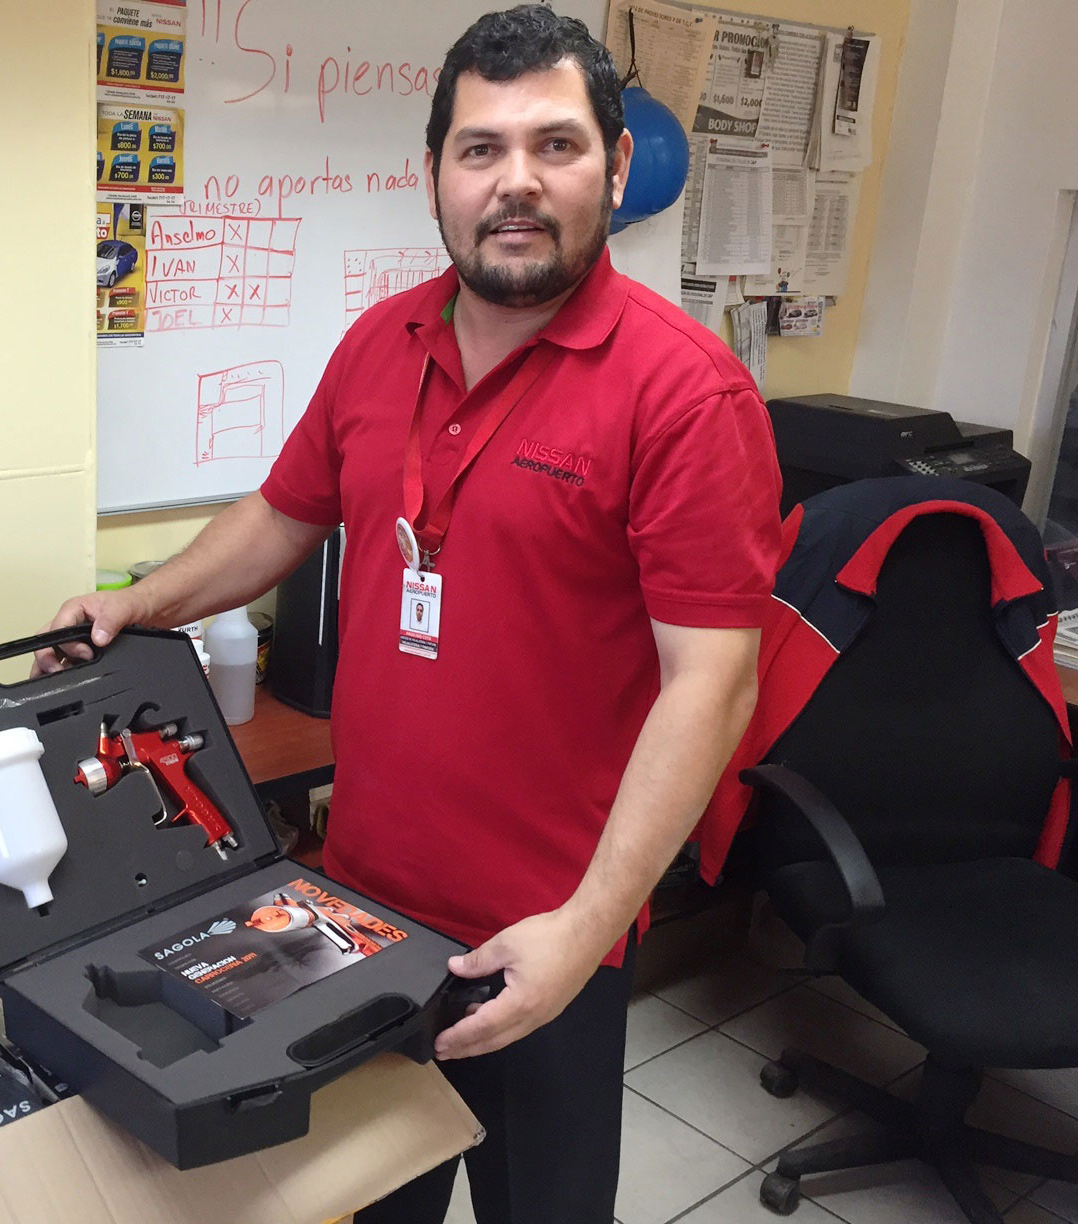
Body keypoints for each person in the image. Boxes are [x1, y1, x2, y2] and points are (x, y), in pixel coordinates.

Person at [39, 7, 782, 1220]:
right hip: (361, 909)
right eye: (481, 149)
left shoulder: (686, 395)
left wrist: (587, 928)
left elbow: (715, 682)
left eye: (554, 145)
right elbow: (281, 516)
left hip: (545, 930)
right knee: (379, 1199)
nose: (515, 181)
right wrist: (137, 603)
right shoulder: (380, 344)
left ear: (616, 166)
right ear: (434, 173)